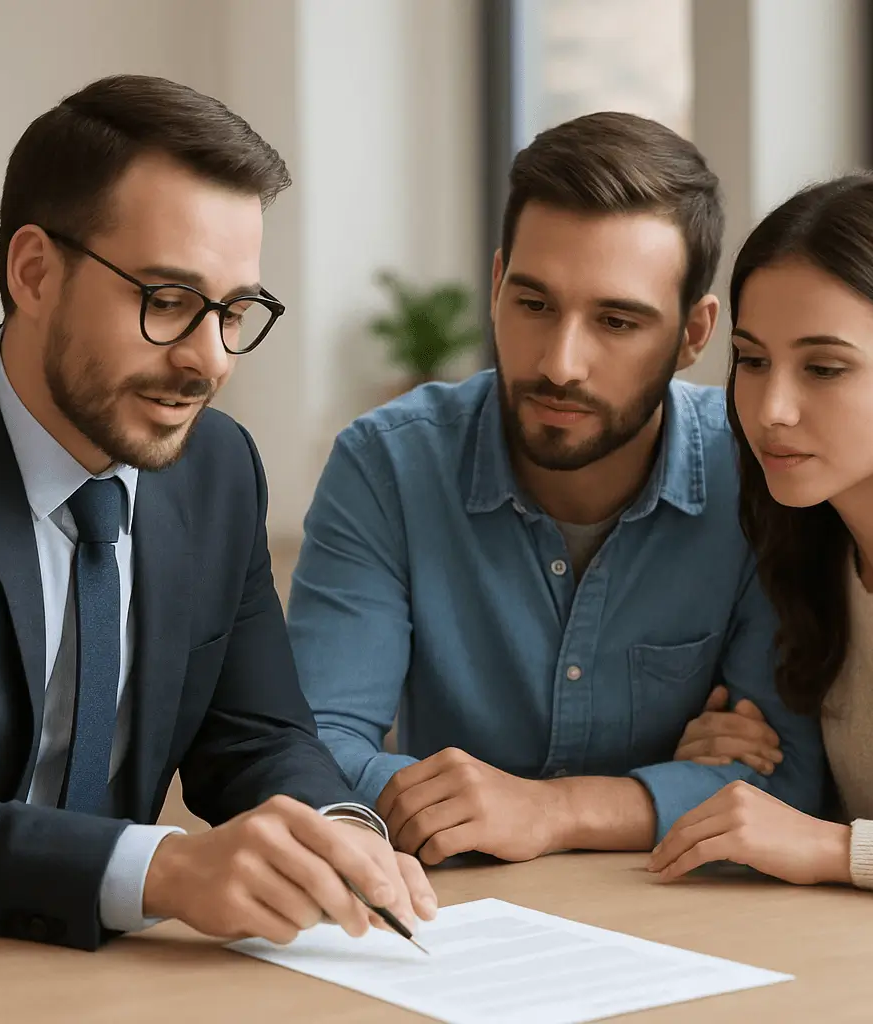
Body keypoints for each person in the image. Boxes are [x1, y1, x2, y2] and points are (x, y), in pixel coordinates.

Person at [0, 74, 436, 951]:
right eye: (167, 303)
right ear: (35, 273)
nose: (209, 362)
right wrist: (158, 870)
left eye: (235, 311)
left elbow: (255, 735)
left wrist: (336, 832)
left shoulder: (217, 470)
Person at [288, 111, 824, 866]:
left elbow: (785, 782)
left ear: (694, 334)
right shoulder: (388, 466)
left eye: (617, 321)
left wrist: (553, 810)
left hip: (682, 911)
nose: (560, 363)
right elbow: (308, 749)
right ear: (496, 286)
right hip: (459, 913)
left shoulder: (757, 478)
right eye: (535, 305)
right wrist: (668, 790)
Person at [649, 174, 873, 905]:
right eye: (753, 360)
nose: (773, 409)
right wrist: (729, 757)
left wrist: (834, 845)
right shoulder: (799, 554)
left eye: (823, 368)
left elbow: (836, 848)